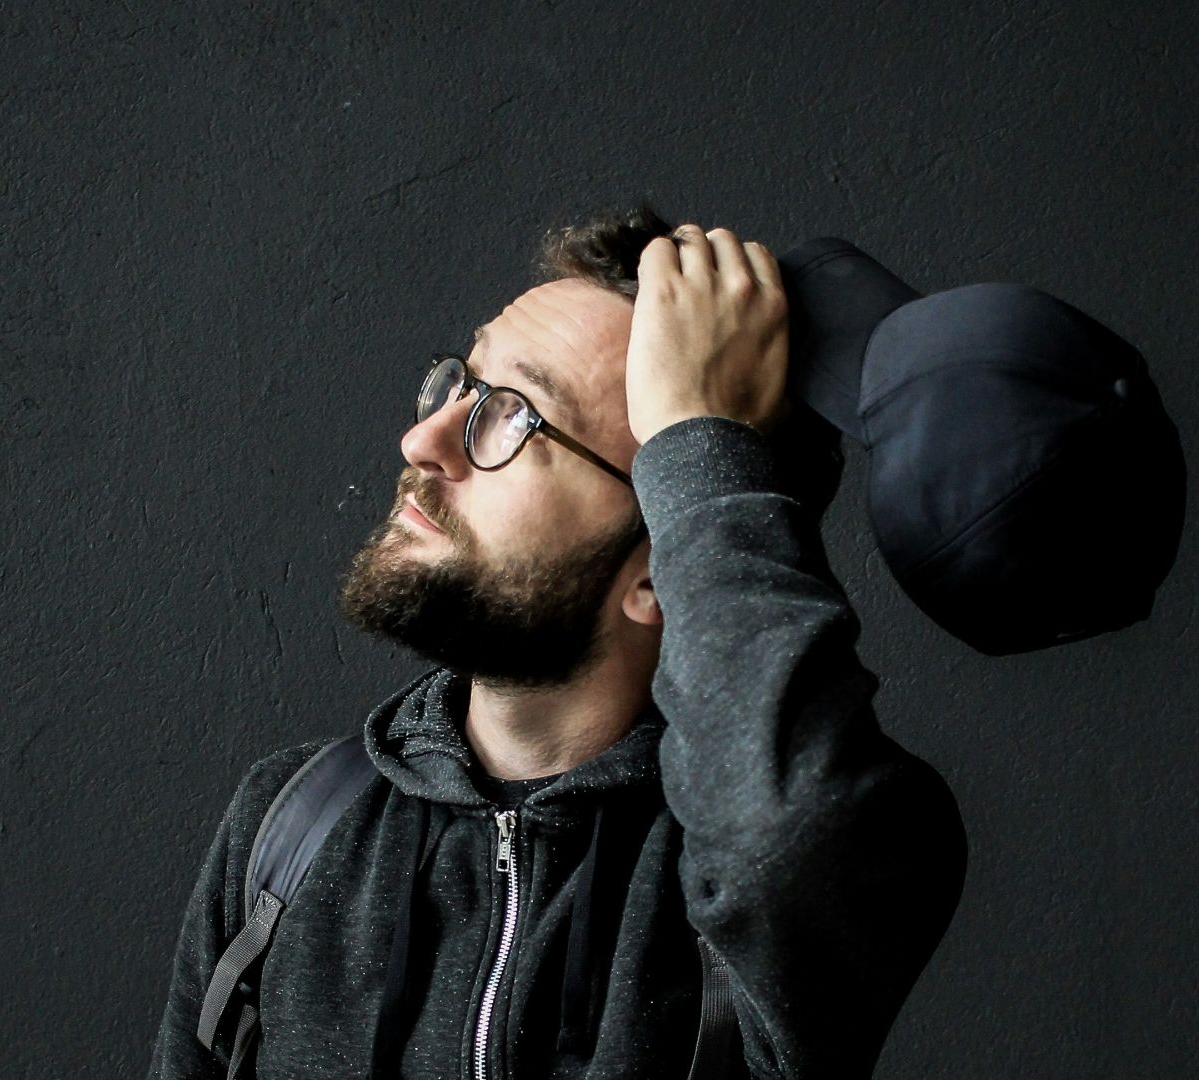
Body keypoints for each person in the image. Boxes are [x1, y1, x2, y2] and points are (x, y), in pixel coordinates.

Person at [146, 204, 967, 1079]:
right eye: (461, 385)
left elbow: (782, 830)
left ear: (659, 568)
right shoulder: (290, 830)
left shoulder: (804, 859)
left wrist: (699, 435)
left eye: (513, 416)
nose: (423, 441)